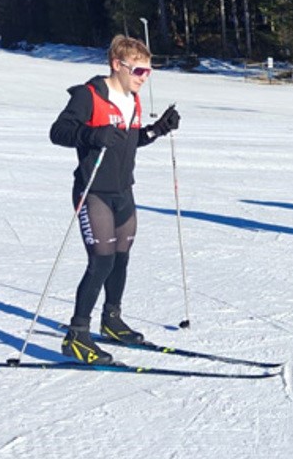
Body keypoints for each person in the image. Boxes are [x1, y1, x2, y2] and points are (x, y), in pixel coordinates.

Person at [49, 35, 182, 364]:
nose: (143, 78)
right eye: (138, 70)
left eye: (148, 72)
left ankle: (111, 320)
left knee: (121, 257)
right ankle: (77, 334)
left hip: (123, 190)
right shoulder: (89, 95)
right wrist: (92, 134)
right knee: (102, 261)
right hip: (93, 191)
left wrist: (158, 129)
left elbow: (129, 141)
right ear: (117, 65)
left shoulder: (132, 100)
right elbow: (58, 132)